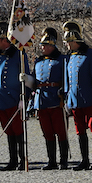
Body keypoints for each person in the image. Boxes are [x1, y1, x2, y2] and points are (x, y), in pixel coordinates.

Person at [0, 21, 30, 171]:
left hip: (14, 99)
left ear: (5, 41)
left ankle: (22, 159)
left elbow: (26, 75)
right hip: (0, 100)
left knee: (18, 131)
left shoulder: (18, 54)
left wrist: (23, 97)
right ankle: (12, 159)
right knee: (8, 131)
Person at [63, 20, 92, 170]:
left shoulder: (91, 55)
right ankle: (85, 159)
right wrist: (68, 98)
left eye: (69, 41)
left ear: (75, 41)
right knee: (80, 131)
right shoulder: (70, 57)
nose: (67, 44)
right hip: (75, 100)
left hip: (89, 98)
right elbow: (68, 80)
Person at [31, 27, 68, 170]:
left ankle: (63, 160)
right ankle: (51, 160)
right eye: (41, 45)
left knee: (61, 131)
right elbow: (35, 80)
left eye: (45, 45)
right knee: (47, 132)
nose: (42, 47)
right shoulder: (39, 62)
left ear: (52, 45)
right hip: (42, 100)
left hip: (56, 99)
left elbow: (66, 78)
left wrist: (64, 94)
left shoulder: (62, 59)